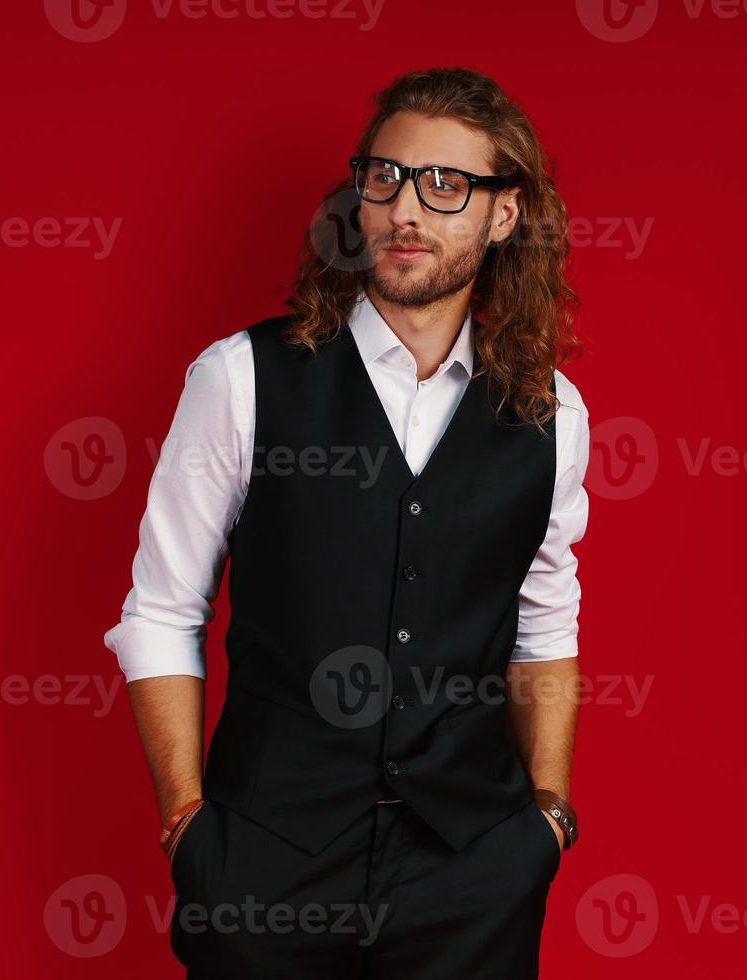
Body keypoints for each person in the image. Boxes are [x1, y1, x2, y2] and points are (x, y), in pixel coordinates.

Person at [105, 66, 589, 979]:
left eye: (447, 185)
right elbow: (161, 613)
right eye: (386, 177)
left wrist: (547, 816)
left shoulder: (551, 414)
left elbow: (546, 621)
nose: (408, 209)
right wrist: (188, 828)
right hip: (266, 863)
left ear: (505, 215)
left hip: (471, 870)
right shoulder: (242, 378)